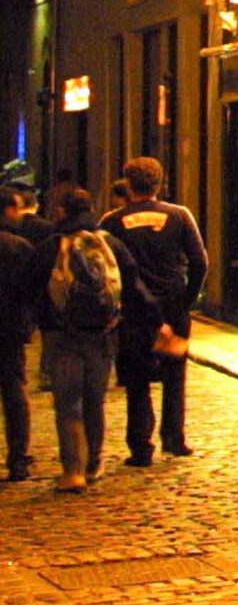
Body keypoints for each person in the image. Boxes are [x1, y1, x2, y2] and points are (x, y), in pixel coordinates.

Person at [100, 157, 206, 466]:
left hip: (133, 311)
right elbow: (200, 262)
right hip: (173, 309)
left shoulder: (112, 221)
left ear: (129, 184)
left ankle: (140, 446)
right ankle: (174, 439)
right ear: (159, 183)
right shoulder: (180, 216)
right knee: (174, 376)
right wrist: (186, 300)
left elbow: (105, 268)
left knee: (136, 380)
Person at [37, 190, 141, 492]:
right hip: (103, 335)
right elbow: (132, 285)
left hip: (62, 334)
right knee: (95, 400)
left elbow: (26, 286)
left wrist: (40, 321)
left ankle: (74, 470)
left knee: (69, 404)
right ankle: (94, 462)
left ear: (60, 212)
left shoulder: (52, 246)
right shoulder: (110, 245)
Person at [0, 216, 38, 482]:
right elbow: (34, 290)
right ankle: (18, 459)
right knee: (14, 392)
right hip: (10, 329)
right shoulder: (19, 246)